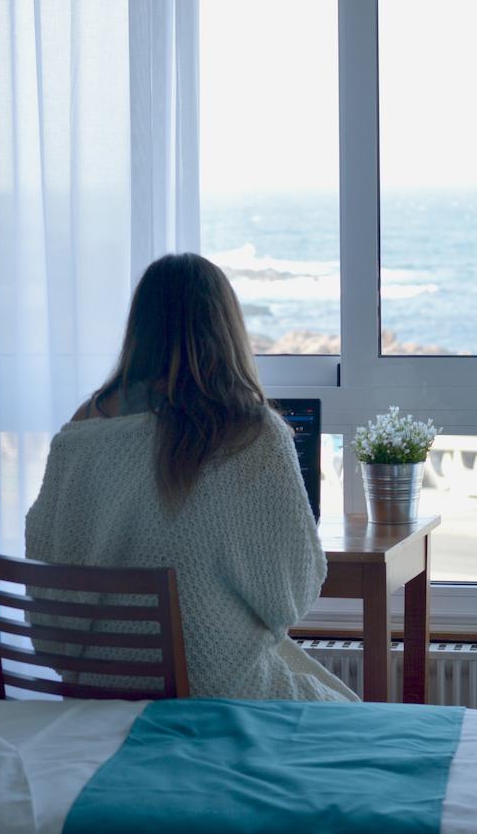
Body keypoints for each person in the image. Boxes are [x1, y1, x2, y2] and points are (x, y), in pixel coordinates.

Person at [25, 253, 355, 702]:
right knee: (347, 707)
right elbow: (289, 597)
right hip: (210, 688)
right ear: (227, 329)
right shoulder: (250, 433)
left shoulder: (84, 426)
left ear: (139, 328)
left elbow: (49, 575)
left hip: (96, 688)